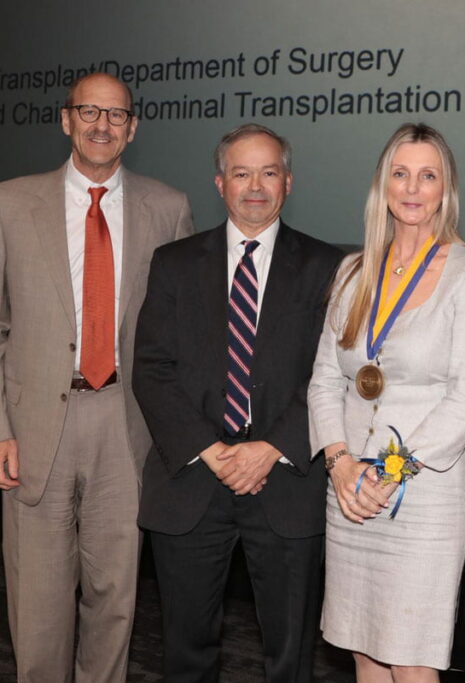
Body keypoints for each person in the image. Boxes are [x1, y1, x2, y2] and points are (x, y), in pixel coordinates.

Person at [0, 72, 194, 681]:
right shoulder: (7, 202)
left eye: (116, 116)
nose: (101, 125)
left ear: (133, 128)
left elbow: (181, 337)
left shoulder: (168, 208)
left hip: (126, 426)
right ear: (65, 120)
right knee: (37, 600)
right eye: (88, 111)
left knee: (115, 599)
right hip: (33, 431)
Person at [133, 123, 341, 682]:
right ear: (220, 183)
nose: (255, 186)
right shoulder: (173, 263)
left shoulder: (330, 267)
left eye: (269, 172)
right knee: (186, 654)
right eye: (242, 173)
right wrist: (213, 450)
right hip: (191, 483)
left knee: (289, 658)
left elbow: (333, 374)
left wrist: (270, 447)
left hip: (287, 484)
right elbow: (152, 370)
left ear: (289, 182)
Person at [308, 122, 465, 680]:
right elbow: (325, 380)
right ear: (382, 186)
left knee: (413, 662)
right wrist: (341, 465)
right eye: (401, 174)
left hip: (423, 496)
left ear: (446, 189)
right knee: (364, 653)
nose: (413, 188)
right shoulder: (351, 272)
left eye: (428, 175)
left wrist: (391, 470)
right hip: (349, 494)